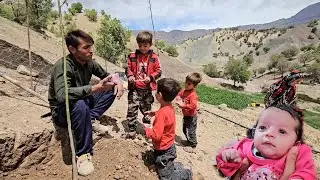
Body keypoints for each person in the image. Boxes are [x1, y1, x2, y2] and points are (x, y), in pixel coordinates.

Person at [48, 29, 123, 176]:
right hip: (64, 110)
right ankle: (83, 154)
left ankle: (89, 119)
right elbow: (63, 95)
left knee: (110, 88)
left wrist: (117, 82)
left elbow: (107, 76)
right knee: (80, 104)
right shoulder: (63, 66)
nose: (91, 51)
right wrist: (95, 88)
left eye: (91, 47)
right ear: (72, 49)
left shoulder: (89, 62)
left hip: (82, 102)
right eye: (86, 47)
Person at [215, 104, 317, 179]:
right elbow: (224, 169)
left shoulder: (299, 153)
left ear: (296, 141)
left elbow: (307, 172)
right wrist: (229, 158)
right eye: (263, 127)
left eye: (282, 131)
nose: (269, 133)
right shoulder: (245, 147)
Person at [144, 78, 192, 180]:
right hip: (166, 147)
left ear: (160, 95)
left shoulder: (162, 113)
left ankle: (187, 174)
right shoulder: (168, 107)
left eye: (156, 91)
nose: (155, 93)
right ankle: (174, 165)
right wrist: (154, 113)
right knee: (159, 163)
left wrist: (147, 130)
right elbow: (165, 117)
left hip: (164, 151)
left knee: (166, 177)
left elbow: (156, 136)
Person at [125, 31, 161, 137]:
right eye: (140, 45)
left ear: (150, 45)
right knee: (132, 109)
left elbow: (159, 72)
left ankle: (147, 130)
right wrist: (130, 76)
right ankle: (132, 130)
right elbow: (128, 68)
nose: (142, 48)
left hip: (147, 90)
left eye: (145, 46)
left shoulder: (154, 57)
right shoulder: (132, 56)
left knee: (146, 110)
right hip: (134, 88)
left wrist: (150, 77)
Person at [175, 72, 202, 148]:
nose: (186, 85)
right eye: (186, 82)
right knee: (185, 129)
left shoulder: (193, 95)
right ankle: (188, 141)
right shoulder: (184, 91)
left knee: (190, 131)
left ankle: (193, 144)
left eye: (189, 84)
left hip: (191, 116)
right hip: (186, 115)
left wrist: (184, 105)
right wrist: (178, 98)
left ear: (194, 86)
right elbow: (179, 94)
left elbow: (193, 106)